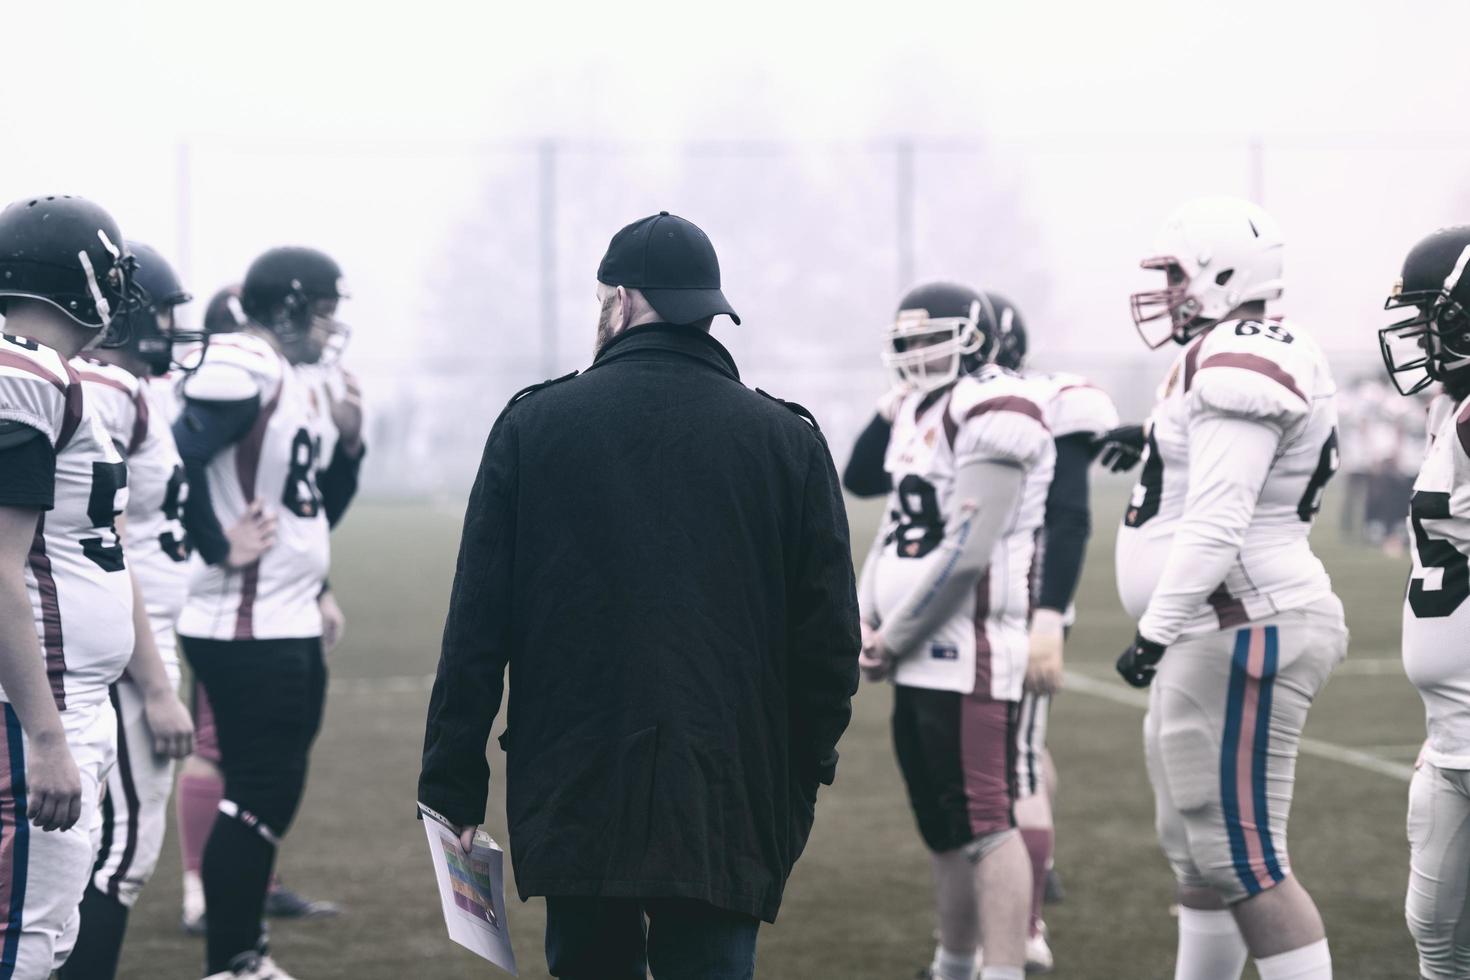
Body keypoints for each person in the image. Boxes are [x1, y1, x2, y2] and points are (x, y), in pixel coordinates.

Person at [419, 211, 859, 980]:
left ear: (620, 302)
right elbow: (829, 641)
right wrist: (801, 766)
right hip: (727, 780)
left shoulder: (533, 426)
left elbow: (476, 628)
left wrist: (451, 784)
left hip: (576, 775)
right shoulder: (789, 441)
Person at [841, 291, 1120, 973]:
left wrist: (895, 633)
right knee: (944, 832)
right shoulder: (917, 407)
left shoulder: (995, 406)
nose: (912, 354)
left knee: (989, 826)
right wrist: (864, 619)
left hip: (970, 652)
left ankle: (1002, 966)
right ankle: (954, 966)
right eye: (904, 341)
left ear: (973, 339)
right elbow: (896, 533)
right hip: (916, 653)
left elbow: (968, 551)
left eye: (928, 338)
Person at [1117, 197, 1344, 980]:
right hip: (1218, 625)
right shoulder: (1218, 355)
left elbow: (1219, 517)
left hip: (1245, 617)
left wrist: (1156, 628)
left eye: (1176, 275)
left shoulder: (1240, 357)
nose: (1165, 292)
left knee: (1241, 855)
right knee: (1198, 853)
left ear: (1223, 275)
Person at [174, 247, 364, 979]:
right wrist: (216, 547)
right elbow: (172, 457)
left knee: (269, 792)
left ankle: (242, 953)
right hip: (245, 623)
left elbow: (312, 507)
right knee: (257, 791)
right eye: (322, 311)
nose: (329, 328)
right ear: (287, 307)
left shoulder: (289, 378)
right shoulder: (243, 364)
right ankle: (233, 958)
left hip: (283, 617)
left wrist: (351, 444)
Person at [0, 194, 138, 979]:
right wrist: (46, 737)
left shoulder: (54, 374)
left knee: (44, 937)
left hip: (62, 701)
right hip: (35, 710)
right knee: (23, 942)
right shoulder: (25, 375)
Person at [61, 242, 199, 979]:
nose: (177, 330)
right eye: (168, 314)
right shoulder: (107, 387)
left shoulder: (126, 390)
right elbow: (109, 544)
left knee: (97, 852)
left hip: (124, 633)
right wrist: (156, 684)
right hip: (121, 643)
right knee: (115, 856)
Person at [988, 295, 1119, 971]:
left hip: (1019, 606)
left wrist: (1046, 619)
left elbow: (1068, 517)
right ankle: (1040, 872)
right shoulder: (973, 403)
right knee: (1026, 753)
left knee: (1014, 765)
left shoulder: (1041, 403)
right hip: (1002, 603)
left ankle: (1027, 920)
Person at [1378, 225, 1470, 979]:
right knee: (1436, 936)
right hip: (1451, 739)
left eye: (1429, 317)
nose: (1418, 338)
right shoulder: (1451, 413)